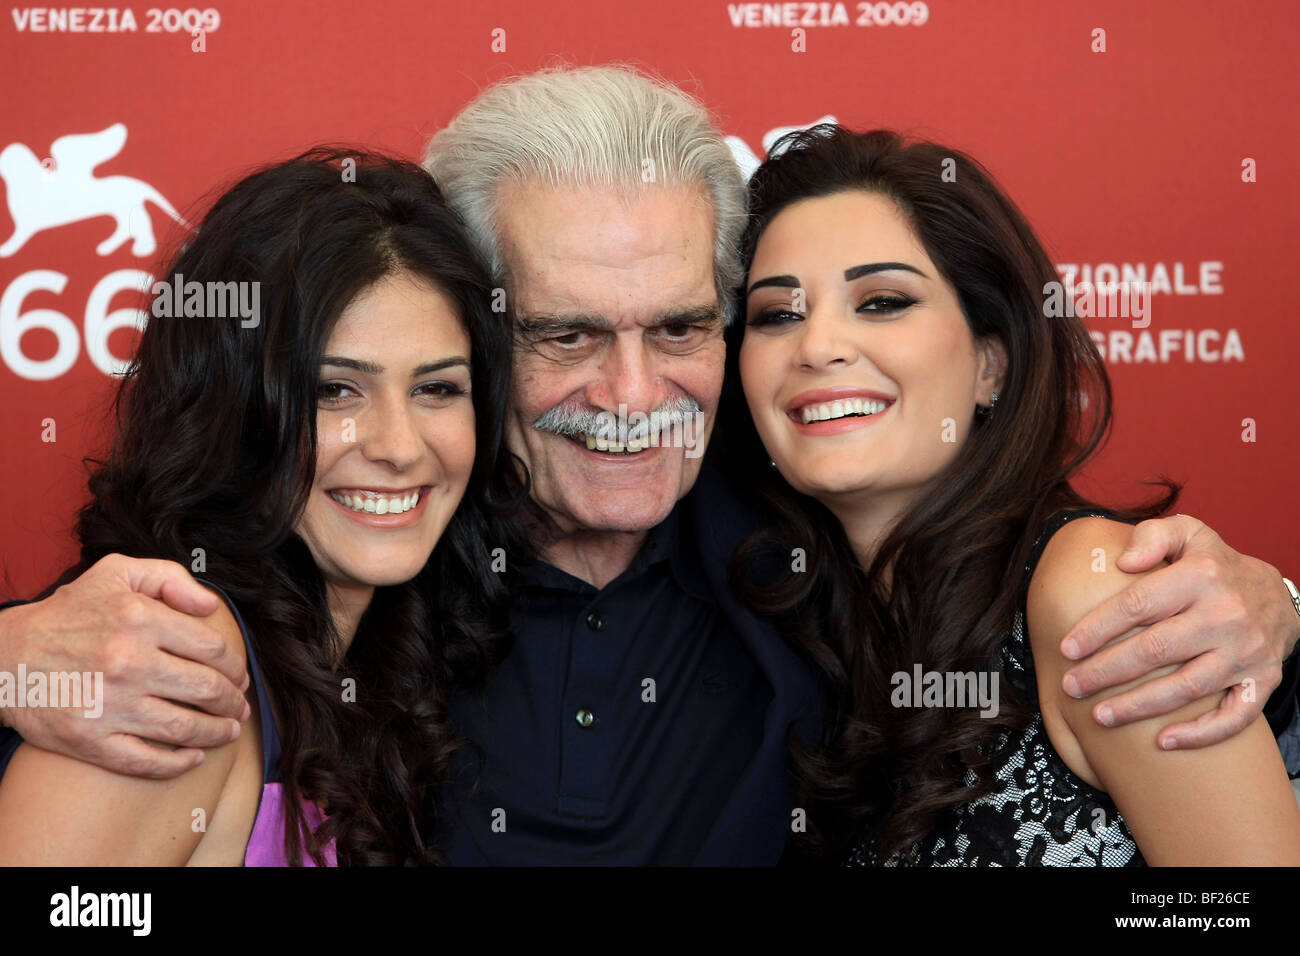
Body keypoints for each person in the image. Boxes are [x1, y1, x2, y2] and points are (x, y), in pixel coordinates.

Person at [2, 67, 1298, 865]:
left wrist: (1276, 607)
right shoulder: (367, 553)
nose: (631, 397)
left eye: (681, 325)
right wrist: (17, 654)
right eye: (565, 332)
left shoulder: (814, 509)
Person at [726, 125, 1300, 865]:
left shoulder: (1093, 592)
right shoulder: (803, 626)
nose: (818, 346)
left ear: (991, 365)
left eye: (883, 301)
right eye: (777, 314)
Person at [0, 149, 517, 865]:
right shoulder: (182, 658)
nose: (399, 447)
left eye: (437, 389)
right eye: (335, 390)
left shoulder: (379, 646)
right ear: (234, 409)